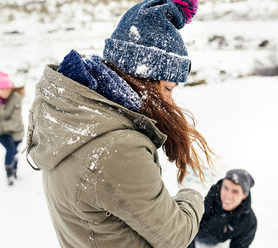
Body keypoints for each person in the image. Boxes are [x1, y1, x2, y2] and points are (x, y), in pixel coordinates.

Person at [26, 0, 213, 247]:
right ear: (142, 79)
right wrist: (194, 190)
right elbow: (175, 236)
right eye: (167, 88)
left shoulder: (74, 119)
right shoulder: (119, 147)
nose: (171, 100)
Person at [188, 169, 257, 248]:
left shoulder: (248, 222)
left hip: (215, 241)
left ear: (244, 195)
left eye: (235, 191)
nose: (227, 196)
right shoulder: (206, 201)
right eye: (225, 188)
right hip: (194, 235)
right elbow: (185, 228)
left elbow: (240, 246)